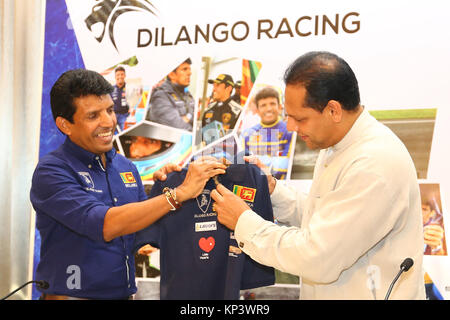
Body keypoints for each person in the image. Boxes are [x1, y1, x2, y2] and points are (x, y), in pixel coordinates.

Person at [210, 51, 426, 299]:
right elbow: (326, 219)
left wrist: (243, 222)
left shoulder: (374, 162)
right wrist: (274, 191)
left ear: (333, 110)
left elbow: (318, 256)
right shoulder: (336, 145)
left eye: (299, 118)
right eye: (288, 117)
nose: (290, 127)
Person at [30, 69, 226, 300]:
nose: (108, 122)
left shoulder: (126, 167)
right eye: (93, 116)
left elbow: (144, 232)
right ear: (65, 125)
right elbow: (104, 224)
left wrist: (167, 187)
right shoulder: (52, 171)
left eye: (110, 110)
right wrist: (176, 194)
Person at [240, 87, 293, 179]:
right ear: (257, 109)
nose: (268, 109)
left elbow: (287, 165)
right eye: (263, 105)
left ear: (280, 107)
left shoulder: (290, 131)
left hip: (281, 186)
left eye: (272, 104)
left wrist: (258, 161)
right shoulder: (247, 135)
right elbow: (244, 166)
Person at [147, 58, 195, 131]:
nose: (190, 73)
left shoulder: (187, 94)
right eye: (184, 69)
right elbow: (180, 128)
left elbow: (197, 117)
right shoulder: (160, 96)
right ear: (172, 74)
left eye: (189, 69)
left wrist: (187, 117)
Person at [111, 66, 130, 131]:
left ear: (125, 75)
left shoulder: (129, 88)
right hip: (113, 116)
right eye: (118, 75)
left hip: (125, 116)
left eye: (122, 74)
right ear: (115, 77)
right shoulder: (111, 89)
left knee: (125, 134)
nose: (120, 76)